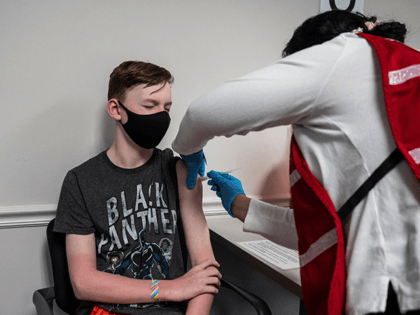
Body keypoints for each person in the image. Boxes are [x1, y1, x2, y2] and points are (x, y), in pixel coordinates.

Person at [172, 10, 420, 315]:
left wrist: (189, 148)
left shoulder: (345, 52)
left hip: (394, 291)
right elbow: (325, 227)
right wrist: (239, 203)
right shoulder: (400, 83)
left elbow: (202, 114)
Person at [54, 61, 221, 315]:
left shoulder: (180, 172)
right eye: (150, 105)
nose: (161, 116)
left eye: (167, 107)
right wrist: (168, 288)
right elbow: (83, 283)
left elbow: (205, 268)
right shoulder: (80, 181)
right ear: (115, 109)